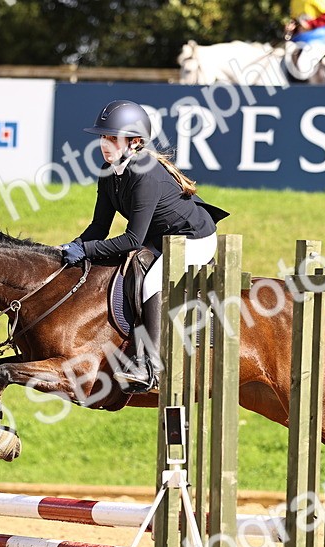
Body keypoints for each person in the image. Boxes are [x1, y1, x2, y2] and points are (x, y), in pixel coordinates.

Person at [60, 100, 228, 393]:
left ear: (134, 142)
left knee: (151, 281)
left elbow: (132, 240)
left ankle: (151, 365)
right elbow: (99, 227)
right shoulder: (108, 170)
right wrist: (71, 247)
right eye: (103, 137)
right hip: (160, 235)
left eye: (112, 138)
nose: (104, 143)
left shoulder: (144, 172)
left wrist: (86, 250)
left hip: (193, 238)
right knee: (125, 268)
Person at [284, 0, 325, 81]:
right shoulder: (294, 2)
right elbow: (298, 21)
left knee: (303, 65)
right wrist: (293, 27)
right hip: (301, 39)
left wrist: (311, 24)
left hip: (320, 39)